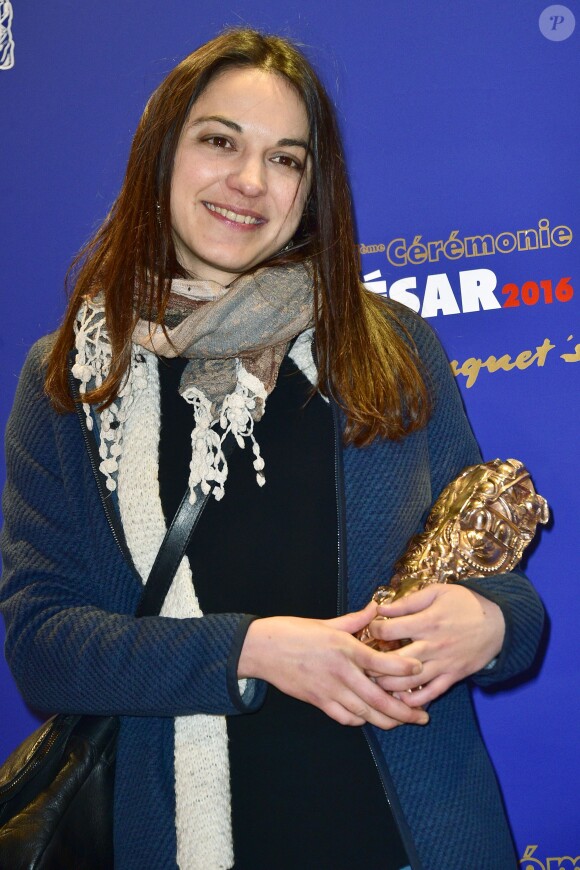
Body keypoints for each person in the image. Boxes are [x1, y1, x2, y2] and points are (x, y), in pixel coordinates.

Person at [0, 28, 544, 870]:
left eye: (287, 159)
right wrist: (253, 651)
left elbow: (504, 594)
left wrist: (490, 624)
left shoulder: (391, 348)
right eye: (220, 141)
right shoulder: (72, 378)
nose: (251, 182)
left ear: (311, 189)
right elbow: (42, 645)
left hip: (413, 839)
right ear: (161, 157)